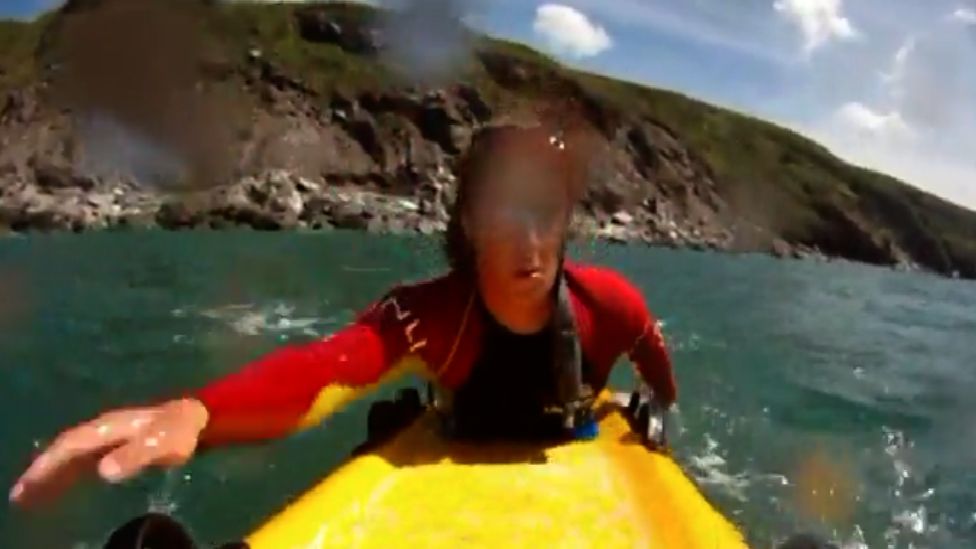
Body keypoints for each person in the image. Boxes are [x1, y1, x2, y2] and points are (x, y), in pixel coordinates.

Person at [9, 125, 677, 506]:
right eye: (505, 212)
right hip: (463, 440)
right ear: (471, 222)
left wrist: (659, 407)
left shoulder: (607, 303)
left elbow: (655, 365)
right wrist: (204, 411)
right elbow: (325, 367)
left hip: (574, 439)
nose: (528, 240)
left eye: (545, 214)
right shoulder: (429, 316)